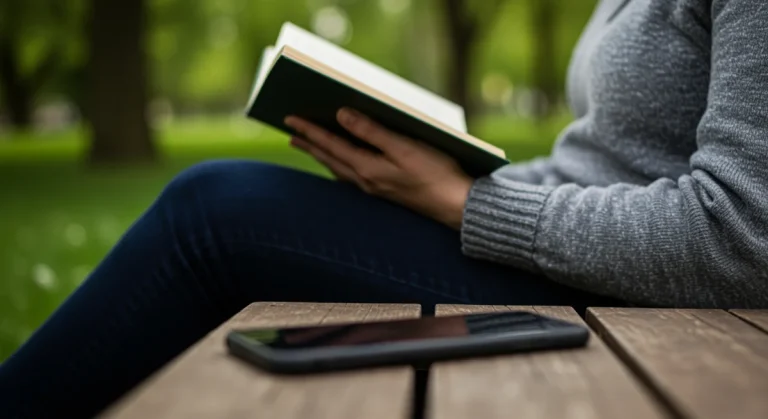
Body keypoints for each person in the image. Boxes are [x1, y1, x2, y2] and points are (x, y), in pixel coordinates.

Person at [3, 0, 768, 417]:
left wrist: (465, 198)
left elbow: (741, 233)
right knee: (235, 204)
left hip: (628, 281)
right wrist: (438, 170)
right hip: (563, 236)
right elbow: (601, 160)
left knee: (214, 212)